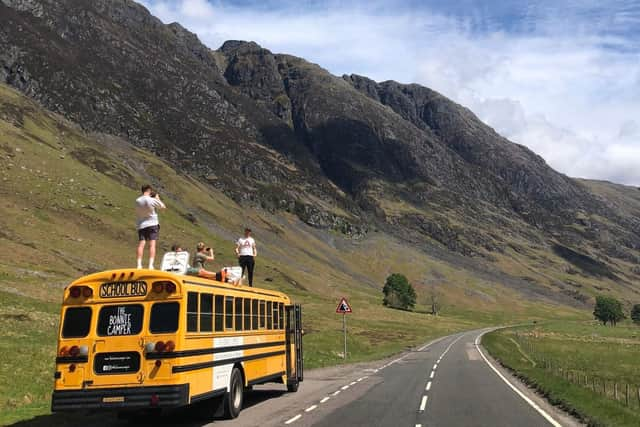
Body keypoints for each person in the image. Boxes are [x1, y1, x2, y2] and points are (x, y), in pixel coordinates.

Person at [135, 184, 166, 269]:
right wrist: (157, 198)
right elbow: (163, 207)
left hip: (141, 224)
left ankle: (139, 265)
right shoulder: (151, 200)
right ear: (149, 190)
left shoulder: (137, 200)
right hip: (152, 223)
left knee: (141, 244)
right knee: (152, 244)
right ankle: (150, 265)